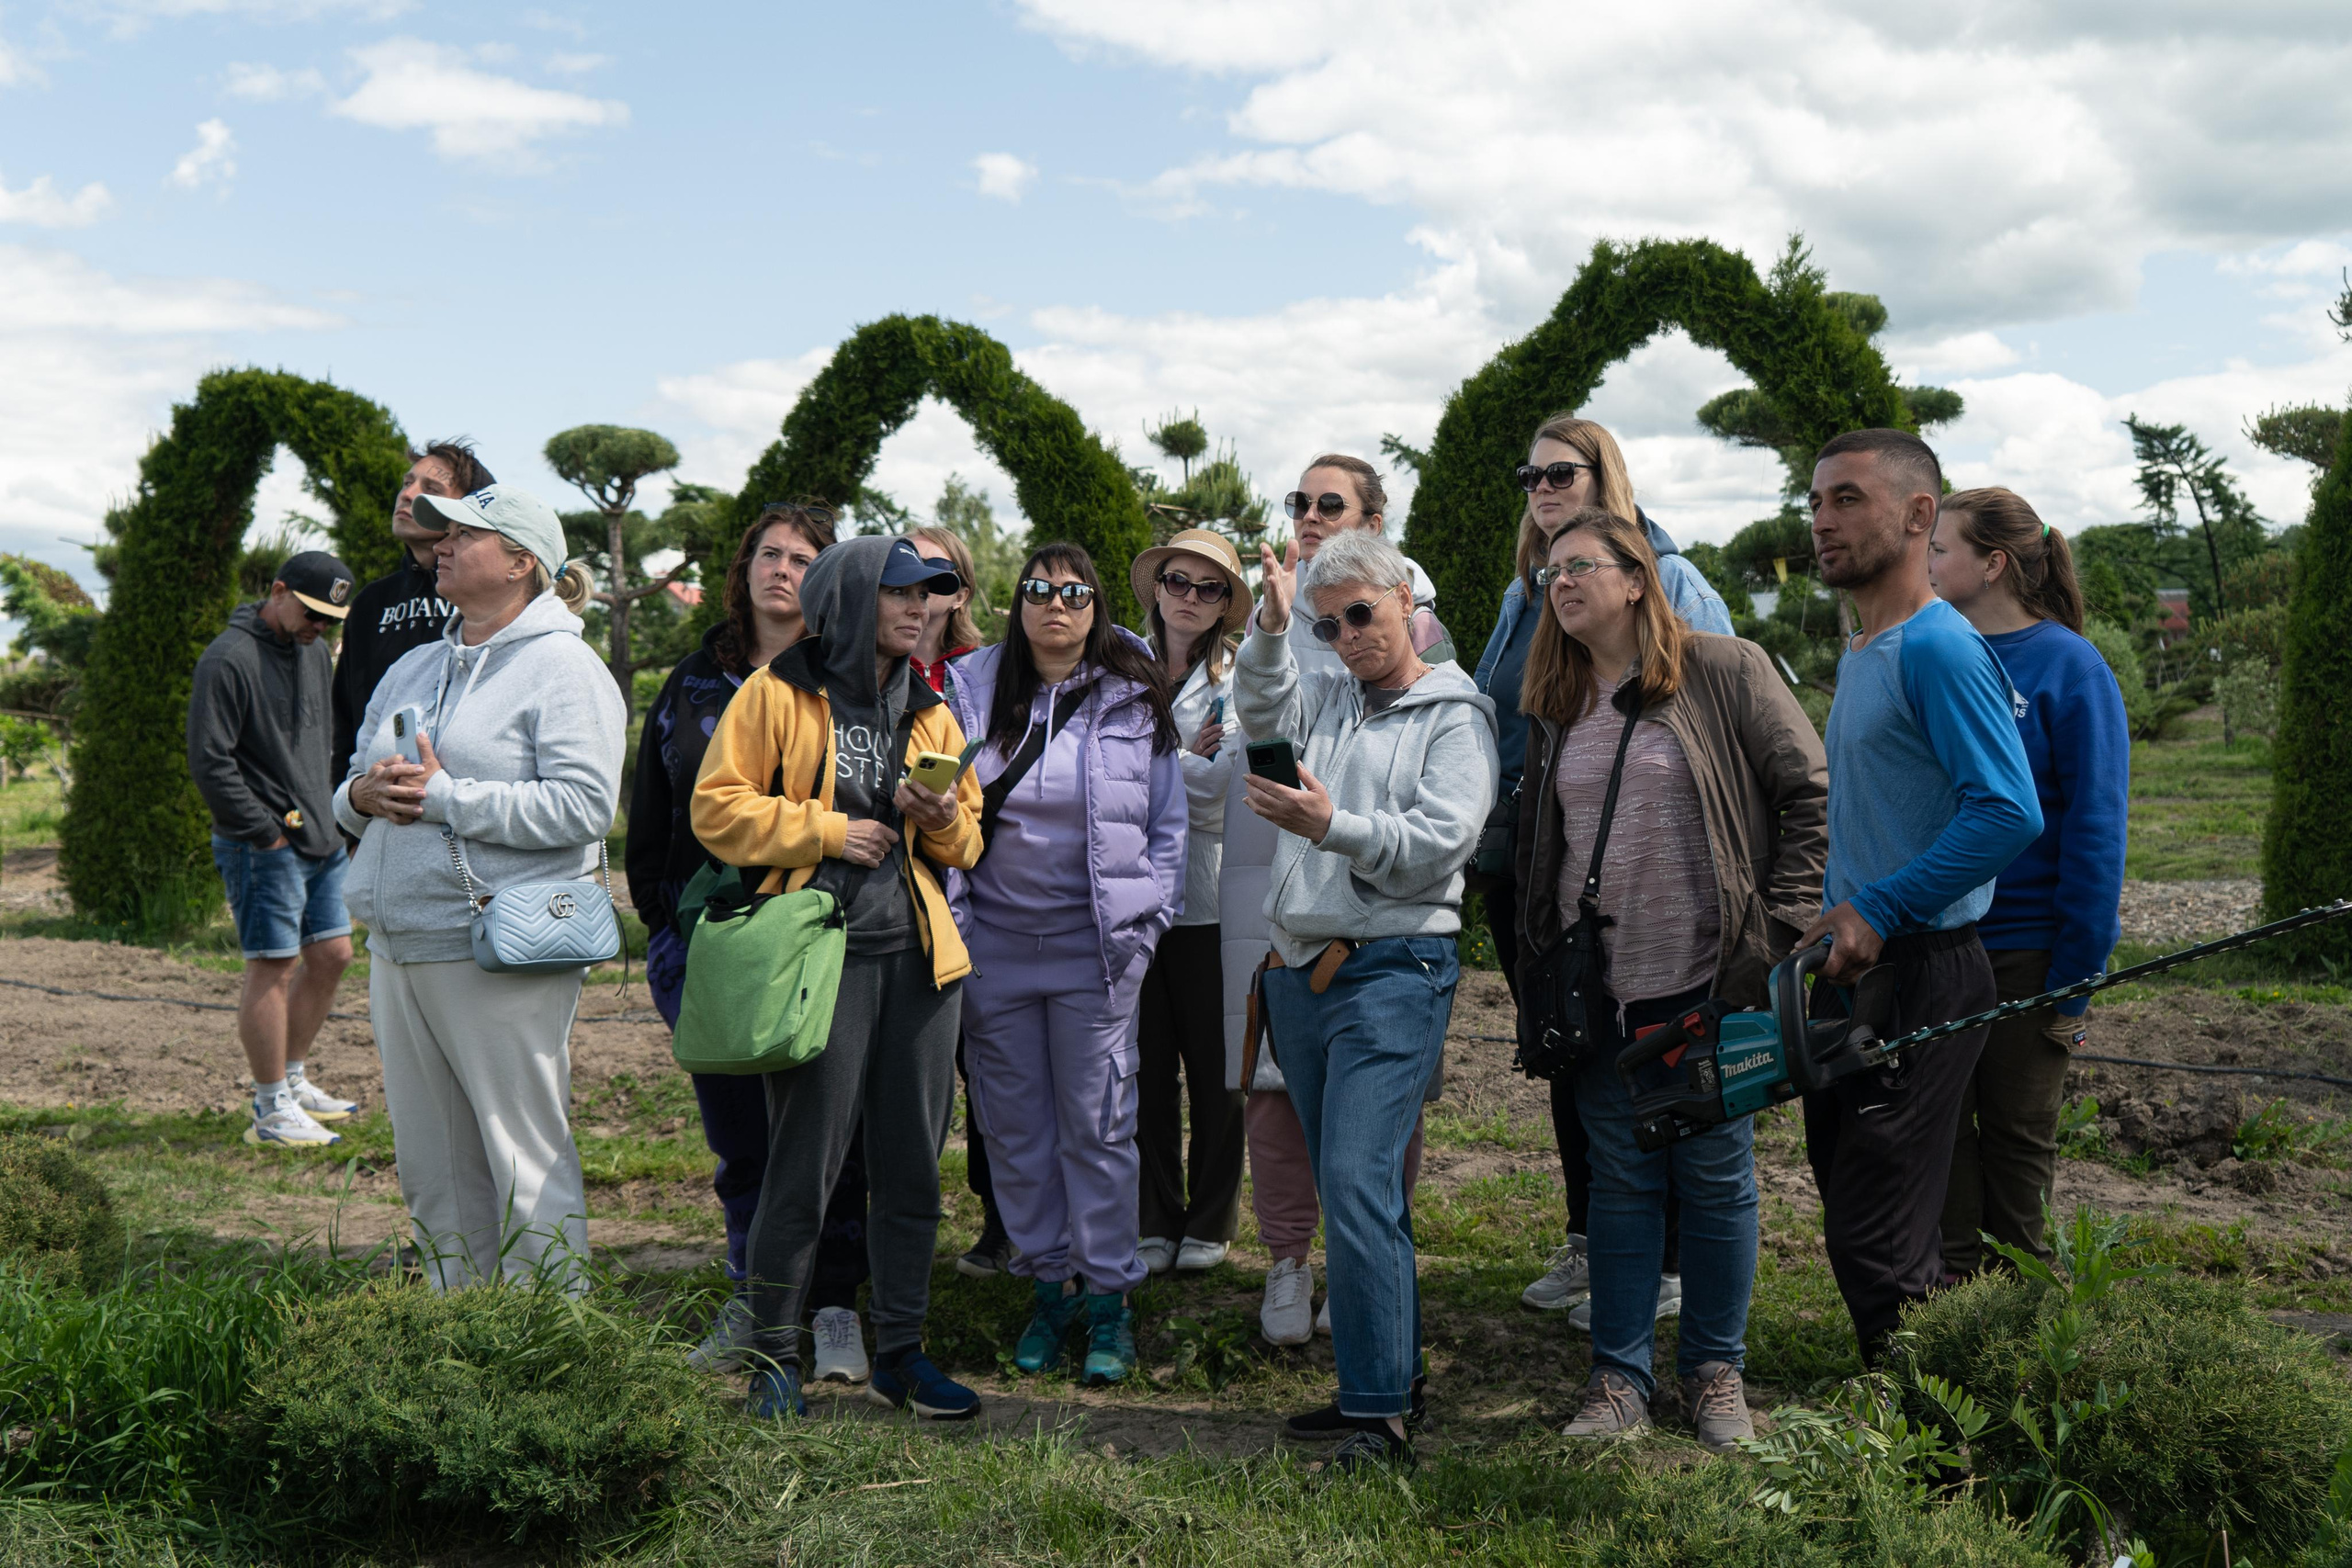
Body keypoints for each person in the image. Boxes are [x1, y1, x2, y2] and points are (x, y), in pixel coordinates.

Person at [1517, 508, 1826, 1448]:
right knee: (1617, 1182)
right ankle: (1618, 1380)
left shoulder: (1723, 669)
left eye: (1580, 566)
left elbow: (1808, 792)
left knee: (1714, 1175)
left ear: (1637, 577)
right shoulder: (1555, 697)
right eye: (1548, 573)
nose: (1560, 583)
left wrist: (1776, 931)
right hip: (1598, 987)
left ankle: (1714, 1376)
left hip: (1704, 978)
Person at [694, 536, 983, 1422]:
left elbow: (967, 840)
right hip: (820, 962)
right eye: (902, 592)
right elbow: (717, 806)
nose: (921, 606)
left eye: (931, 594)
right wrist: (826, 831)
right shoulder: (775, 690)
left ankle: (899, 1351)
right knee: (804, 1167)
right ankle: (775, 1356)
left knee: (911, 1171)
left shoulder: (929, 707)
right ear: (854, 596)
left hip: (921, 966)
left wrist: (938, 819)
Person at [1237, 527, 1498, 1472]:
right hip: (1301, 974)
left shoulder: (1455, 714)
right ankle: (1384, 1383)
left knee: (1354, 1182)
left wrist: (1329, 824)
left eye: (1362, 614)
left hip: (1393, 970)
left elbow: (1442, 838)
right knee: (1351, 1184)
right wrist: (1270, 631)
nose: (1348, 634)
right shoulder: (1329, 698)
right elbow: (1258, 704)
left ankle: (1379, 1420)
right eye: (1329, 622)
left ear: (1404, 599)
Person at [1468, 413, 1734, 1319]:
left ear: (1604, 478)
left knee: (1657, 1067)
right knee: (1569, 1048)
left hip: (1643, 872)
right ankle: (1593, 1242)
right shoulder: (1524, 594)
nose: (1541, 491)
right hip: (1537, 864)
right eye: (1529, 477)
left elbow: (1715, 728)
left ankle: (1661, 1265)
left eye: (1560, 475)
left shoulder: (1673, 579)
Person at [336, 486, 625, 1290]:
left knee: (521, 1155)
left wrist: (444, 796)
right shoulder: (413, 664)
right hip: (399, 945)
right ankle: (462, 1341)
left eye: (466, 534)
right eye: (443, 534)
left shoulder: (566, 668)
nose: (442, 545)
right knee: (434, 1167)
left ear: (523, 561)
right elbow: (355, 782)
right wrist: (360, 799)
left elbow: (583, 807)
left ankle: (553, 1342)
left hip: (501, 945)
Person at [1794, 430, 2042, 1365]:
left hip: (1922, 970)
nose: (1823, 520)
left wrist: (1877, 908)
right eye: (1815, 502)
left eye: (1848, 499)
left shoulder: (1937, 647)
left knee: (1880, 1231)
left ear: (1918, 514)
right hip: (1861, 970)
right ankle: (1934, 1423)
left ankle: (1938, 1467)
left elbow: (2008, 811)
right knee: (1862, 1208)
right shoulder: (1867, 646)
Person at [626, 502, 876, 1382]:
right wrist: (665, 927)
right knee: (742, 1139)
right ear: (746, 570)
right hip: (714, 942)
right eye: (768, 553)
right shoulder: (696, 679)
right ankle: (752, 1295)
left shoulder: (853, 680)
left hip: (820, 937)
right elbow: (653, 806)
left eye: (803, 556)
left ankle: (836, 1301)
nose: (782, 567)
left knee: (828, 1136)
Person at [946, 543, 1187, 1388]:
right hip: (995, 955)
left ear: (1094, 608)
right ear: (1018, 603)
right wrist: (959, 932)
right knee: (1016, 1133)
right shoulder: (969, 689)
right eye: (1040, 590)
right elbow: (944, 813)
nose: (1057, 605)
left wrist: (1146, 922)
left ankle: (1110, 1300)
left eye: (1076, 592)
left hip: (1098, 952)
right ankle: (1051, 1286)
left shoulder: (1132, 697)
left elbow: (1167, 826)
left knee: (1097, 1125)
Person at [1233, 451, 1449, 1346]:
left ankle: (1364, 1279)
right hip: (1276, 879)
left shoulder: (1405, 605)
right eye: (1300, 501)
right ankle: (1287, 1261)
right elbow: (1258, 713)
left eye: (1332, 503)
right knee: (1274, 1093)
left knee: (1374, 1114)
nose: (1310, 515)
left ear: (1372, 523)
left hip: (1376, 900)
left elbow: (1414, 746)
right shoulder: (1277, 601)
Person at [1927, 488, 2127, 1274]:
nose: (1927, 561)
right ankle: (1948, 1318)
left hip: (2026, 955)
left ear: (1993, 563)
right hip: (1936, 944)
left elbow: (2096, 830)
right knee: (1940, 1138)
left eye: (1941, 549)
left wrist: (2073, 982)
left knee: (2015, 1141)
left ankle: (2022, 1323)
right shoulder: (1938, 651)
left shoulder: (2070, 667)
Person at [187, 549, 363, 1147]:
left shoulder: (314, 652)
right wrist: (262, 830)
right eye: (311, 613)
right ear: (279, 589)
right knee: (272, 964)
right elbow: (209, 760)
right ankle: (268, 1110)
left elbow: (323, 738)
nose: (319, 627)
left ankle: (291, 1079)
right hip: (263, 844)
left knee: (334, 953)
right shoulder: (228, 659)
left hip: (321, 835)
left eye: (330, 620)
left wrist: (331, 814)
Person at [1129, 529, 1250, 1275]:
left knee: (1215, 1070)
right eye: (1180, 580)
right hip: (1129, 896)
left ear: (1227, 605)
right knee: (1141, 1067)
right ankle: (1151, 1212)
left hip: (1209, 899)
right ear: (1157, 585)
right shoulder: (1115, 667)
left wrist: (1146, 763)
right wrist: (1185, 756)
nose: (1191, 597)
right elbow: (1094, 776)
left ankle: (1209, 1216)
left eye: (1211, 589)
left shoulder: (1240, 679)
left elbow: (1221, 794)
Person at [900, 524, 1014, 1278]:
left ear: (961, 593)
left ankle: (1004, 1219)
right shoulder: (852, 673)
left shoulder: (986, 674)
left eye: (938, 579)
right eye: (902, 577)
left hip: (981, 885)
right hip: (895, 892)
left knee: (995, 1069)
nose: (921, 593)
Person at [332, 440, 496, 787]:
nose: (408, 495)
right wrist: (348, 817)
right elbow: (346, 718)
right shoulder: (371, 602)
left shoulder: (489, 597)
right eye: (408, 483)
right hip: (375, 807)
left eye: (431, 489)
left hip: (467, 804)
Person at [906, 525, 983, 694]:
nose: (921, 576)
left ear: (959, 597)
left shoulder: (986, 670)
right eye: (911, 563)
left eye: (937, 567)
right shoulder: (869, 663)